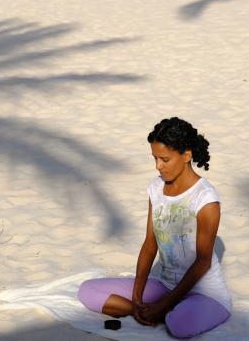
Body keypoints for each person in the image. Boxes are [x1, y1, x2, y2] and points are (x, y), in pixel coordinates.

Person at [78, 117, 231, 338]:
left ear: (186, 156)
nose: (158, 166)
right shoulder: (156, 188)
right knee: (88, 291)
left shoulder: (206, 199)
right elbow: (150, 244)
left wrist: (163, 305)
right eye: (155, 158)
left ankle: (165, 312)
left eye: (165, 159)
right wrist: (137, 298)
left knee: (179, 325)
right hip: (165, 285)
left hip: (204, 294)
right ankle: (147, 313)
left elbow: (203, 262)